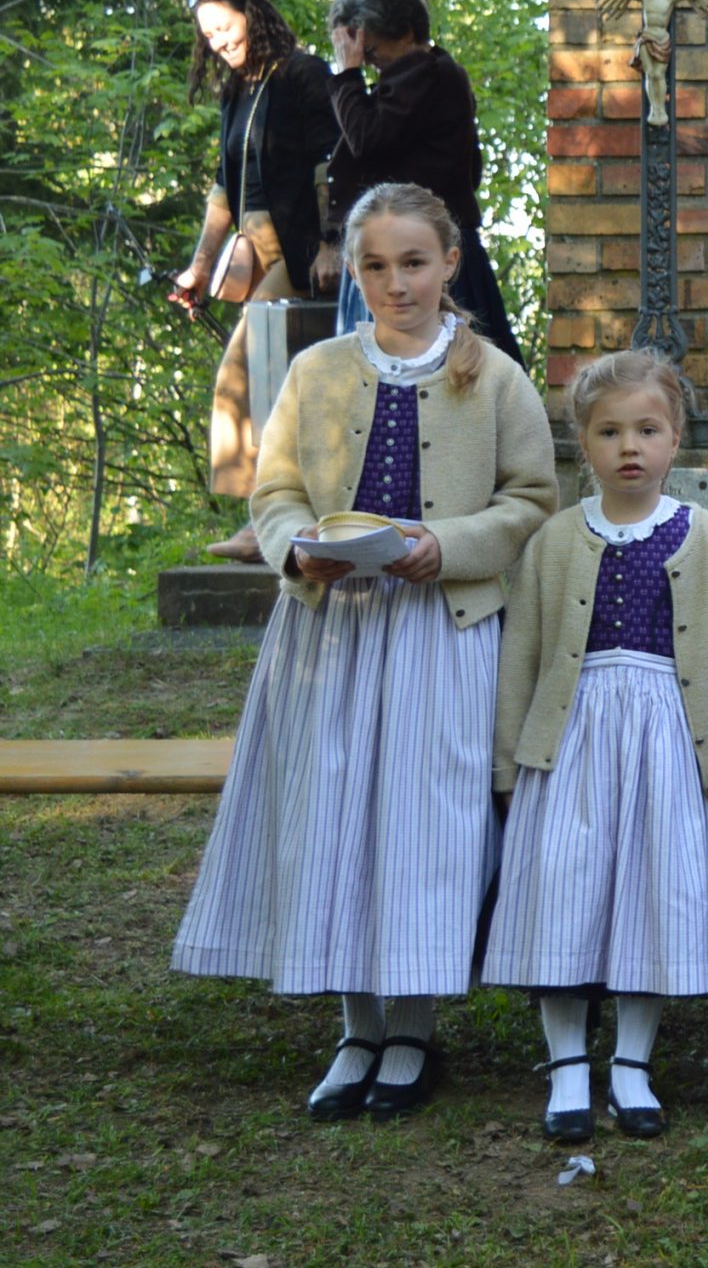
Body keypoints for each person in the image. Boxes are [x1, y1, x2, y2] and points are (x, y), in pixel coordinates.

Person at [169, 181, 557, 1120]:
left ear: (449, 264)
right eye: (375, 265)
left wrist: (444, 545)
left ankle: (413, 1028)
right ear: (355, 270)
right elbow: (275, 492)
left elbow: (532, 499)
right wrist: (298, 549)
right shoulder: (318, 372)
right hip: (330, 633)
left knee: (424, 823)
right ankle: (356, 1028)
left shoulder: (495, 377)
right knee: (334, 812)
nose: (396, 283)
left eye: (414, 263)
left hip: (438, 634)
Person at [482, 351, 708, 1144]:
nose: (629, 447)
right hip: (570, 744)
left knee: (654, 891)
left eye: (648, 430)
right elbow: (521, 656)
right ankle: (568, 1063)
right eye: (609, 432)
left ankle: (633, 1062)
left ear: (676, 439)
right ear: (583, 443)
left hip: (666, 746)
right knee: (562, 888)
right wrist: (509, 760)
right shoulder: (553, 543)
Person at [172, 0, 340, 559]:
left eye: (224, 26)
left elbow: (334, 161)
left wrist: (331, 242)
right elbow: (224, 188)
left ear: (251, 13)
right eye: (209, 35)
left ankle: (268, 524)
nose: (218, 41)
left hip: (299, 250)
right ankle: (270, 520)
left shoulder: (302, 74)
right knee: (253, 383)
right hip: (255, 248)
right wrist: (199, 268)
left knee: (250, 373)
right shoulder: (237, 91)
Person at [319, 0, 523, 363]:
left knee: (438, 368)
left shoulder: (428, 75)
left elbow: (365, 138)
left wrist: (346, 76)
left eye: (371, 48)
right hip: (399, 247)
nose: (367, 59)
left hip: (420, 251)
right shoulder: (414, 78)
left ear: (406, 33)